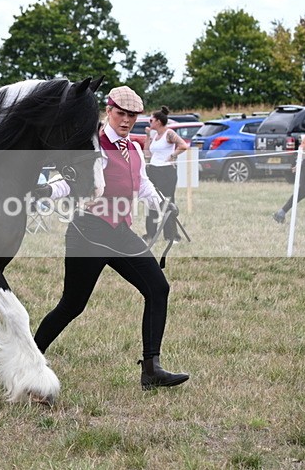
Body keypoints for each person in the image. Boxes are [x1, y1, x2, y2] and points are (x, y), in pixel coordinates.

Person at [34, 85, 190, 390]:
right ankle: (30, 357)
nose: (127, 120)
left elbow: (142, 184)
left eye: (133, 116)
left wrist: (163, 205)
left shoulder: (133, 149)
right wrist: (46, 191)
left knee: (158, 288)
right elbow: (69, 183)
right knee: (72, 305)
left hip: (120, 232)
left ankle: (151, 369)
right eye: (121, 113)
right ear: (109, 111)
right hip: (88, 233)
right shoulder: (94, 145)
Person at [143, 106, 189, 242]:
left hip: (166, 171)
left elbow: (183, 145)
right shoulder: (154, 135)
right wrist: (147, 136)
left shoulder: (169, 133)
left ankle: (171, 235)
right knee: (151, 201)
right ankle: (150, 234)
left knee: (167, 202)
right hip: (153, 170)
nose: (149, 122)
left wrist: (173, 155)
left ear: (158, 121)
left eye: (151, 120)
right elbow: (147, 152)